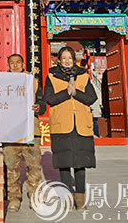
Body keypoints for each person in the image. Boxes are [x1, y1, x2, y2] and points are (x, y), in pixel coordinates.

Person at [44, 46, 97, 210]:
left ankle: (80, 199)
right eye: (64, 58)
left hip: (81, 125)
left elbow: (91, 97)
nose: (67, 61)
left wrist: (76, 93)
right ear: (58, 60)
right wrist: (67, 93)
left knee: (81, 164)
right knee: (64, 163)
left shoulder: (83, 75)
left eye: (70, 58)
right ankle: (66, 198)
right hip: (62, 125)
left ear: (74, 60)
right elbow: (49, 99)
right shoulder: (51, 76)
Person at [3, 54, 46, 212]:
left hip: (30, 131)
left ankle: (35, 197)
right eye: (11, 63)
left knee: (34, 167)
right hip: (10, 131)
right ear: (8, 66)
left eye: (18, 62)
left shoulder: (32, 81)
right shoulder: (1, 83)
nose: (14, 65)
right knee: (11, 167)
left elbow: (42, 102)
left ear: (23, 64)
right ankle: (14, 198)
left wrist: (39, 107)